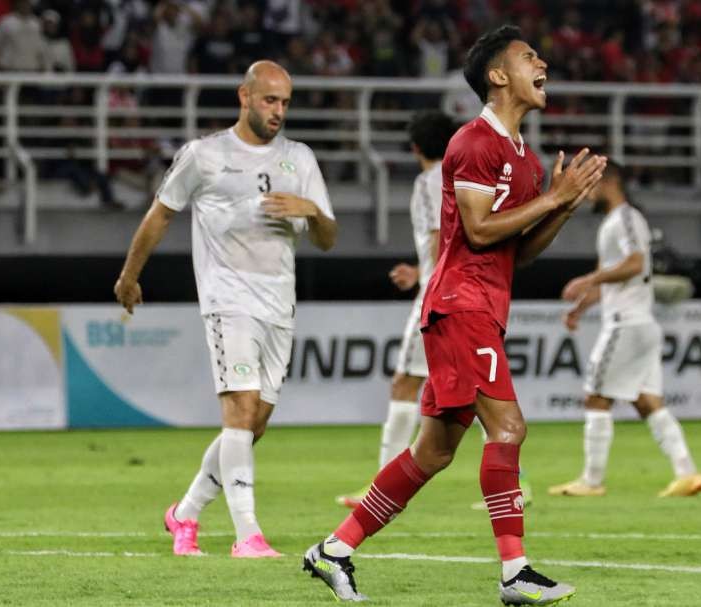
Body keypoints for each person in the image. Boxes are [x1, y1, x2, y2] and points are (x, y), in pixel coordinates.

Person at [302, 25, 606, 605]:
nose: (542, 62)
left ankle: (333, 551)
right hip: (460, 303)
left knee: (434, 452)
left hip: (484, 308)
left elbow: (521, 249)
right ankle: (515, 573)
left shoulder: (528, 160)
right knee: (509, 428)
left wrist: (561, 206)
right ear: (497, 76)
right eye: (528, 56)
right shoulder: (472, 142)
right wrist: (552, 199)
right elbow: (474, 229)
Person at [113, 61, 337, 558]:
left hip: (279, 305)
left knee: (253, 423)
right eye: (269, 100)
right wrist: (130, 276)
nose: (278, 111)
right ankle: (248, 535)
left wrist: (312, 212)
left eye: (284, 103)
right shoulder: (206, 155)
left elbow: (327, 237)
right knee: (238, 411)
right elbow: (159, 215)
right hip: (226, 299)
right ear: (245, 95)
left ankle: (185, 513)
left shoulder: (299, 159)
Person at [548, 163, 701, 499]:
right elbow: (615, 277)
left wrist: (589, 279)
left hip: (627, 324)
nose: (587, 194)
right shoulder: (613, 223)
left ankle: (591, 481)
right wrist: (580, 308)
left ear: (610, 182)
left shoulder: (626, 218)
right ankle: (687, 472)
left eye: (592, 186)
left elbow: (636, 264)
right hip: (640, 324)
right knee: (647, 402)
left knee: (595, 395)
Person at [335, 110, 457, 509]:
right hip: (470, 295)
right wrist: (421, 268)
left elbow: (441, 240)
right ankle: (516, 480)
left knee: (404, 382)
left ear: (415, 147)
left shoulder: (427, 183)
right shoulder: (463, 180)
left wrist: (429, 279)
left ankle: (382, 488)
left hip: (439, 297)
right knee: (476, 394)